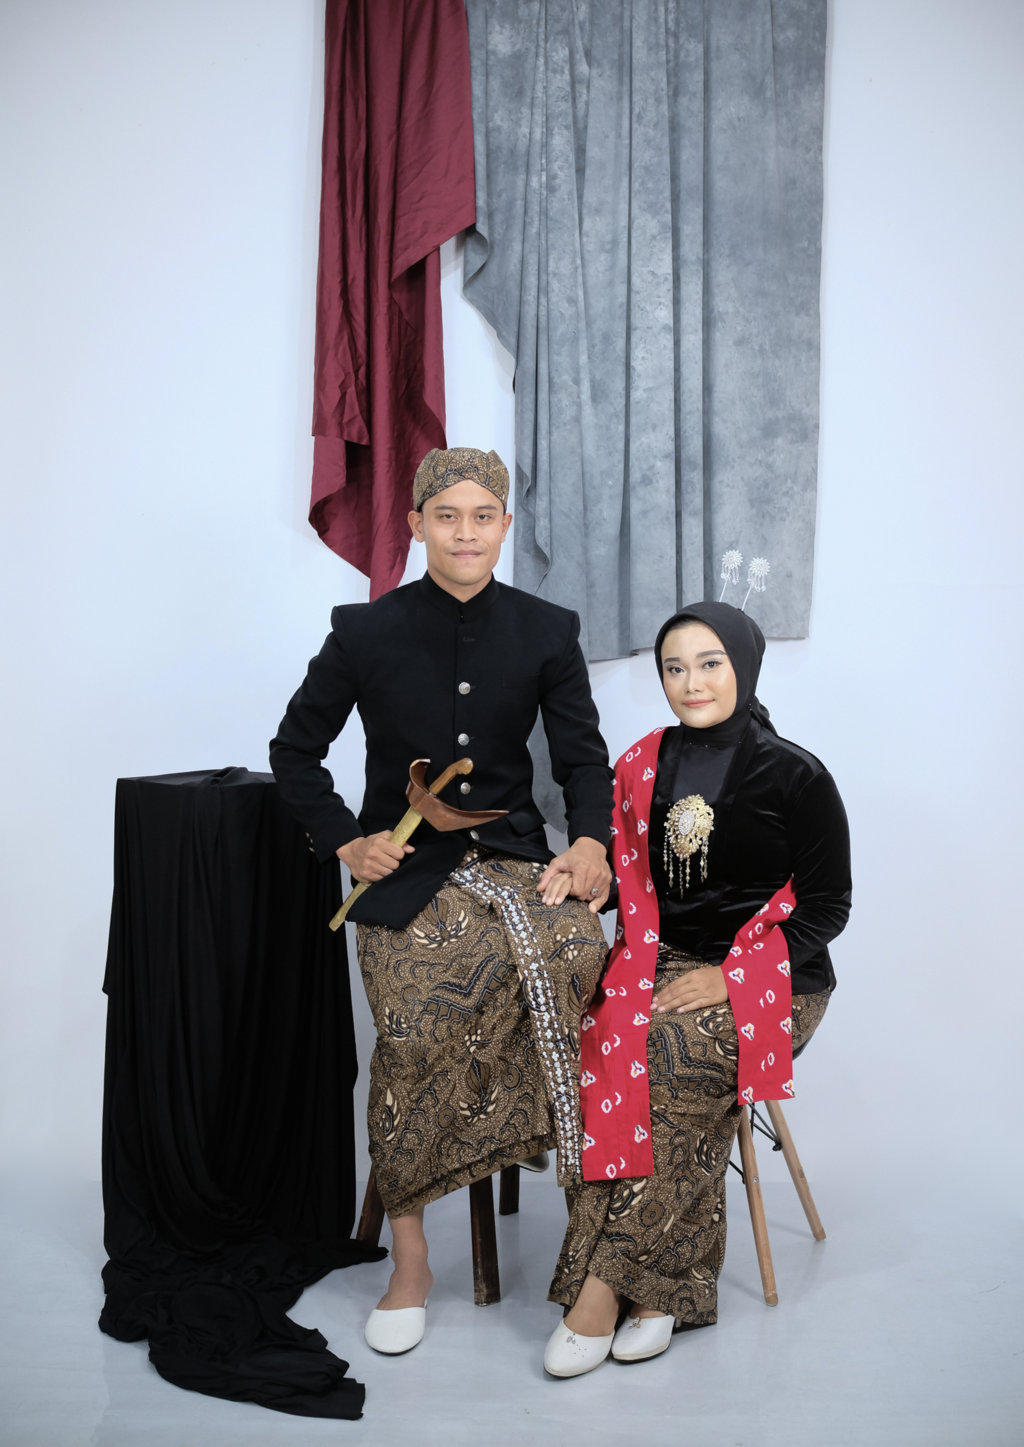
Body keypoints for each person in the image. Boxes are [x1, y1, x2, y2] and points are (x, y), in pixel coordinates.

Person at [270, 446, 613, 1355]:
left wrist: (589, 840)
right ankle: (412, 1257)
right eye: (447, 516)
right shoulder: (364, 631)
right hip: (406, 875)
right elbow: (293, 751)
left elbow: (583, 757)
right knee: (417, 1013)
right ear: (418, 524)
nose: (466, 533)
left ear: (505, 526)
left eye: (483, 516)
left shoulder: (547, 629)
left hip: (515, 861)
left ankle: (589, 1229)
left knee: (578, 951)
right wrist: (347, 840)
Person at [543, 600, 851, 1377]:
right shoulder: (641, 764)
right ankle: (665, 1293)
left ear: (743, 665)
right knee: (597, 1050)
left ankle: (600, 1290)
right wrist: (586, 879)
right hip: (663, 960)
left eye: (710, 663)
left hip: (775, 977)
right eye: (674, 668)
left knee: (673, 1060)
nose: (692, 682)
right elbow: (632, 884)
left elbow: (828, 907)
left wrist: (731, 975)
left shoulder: (798, 774)